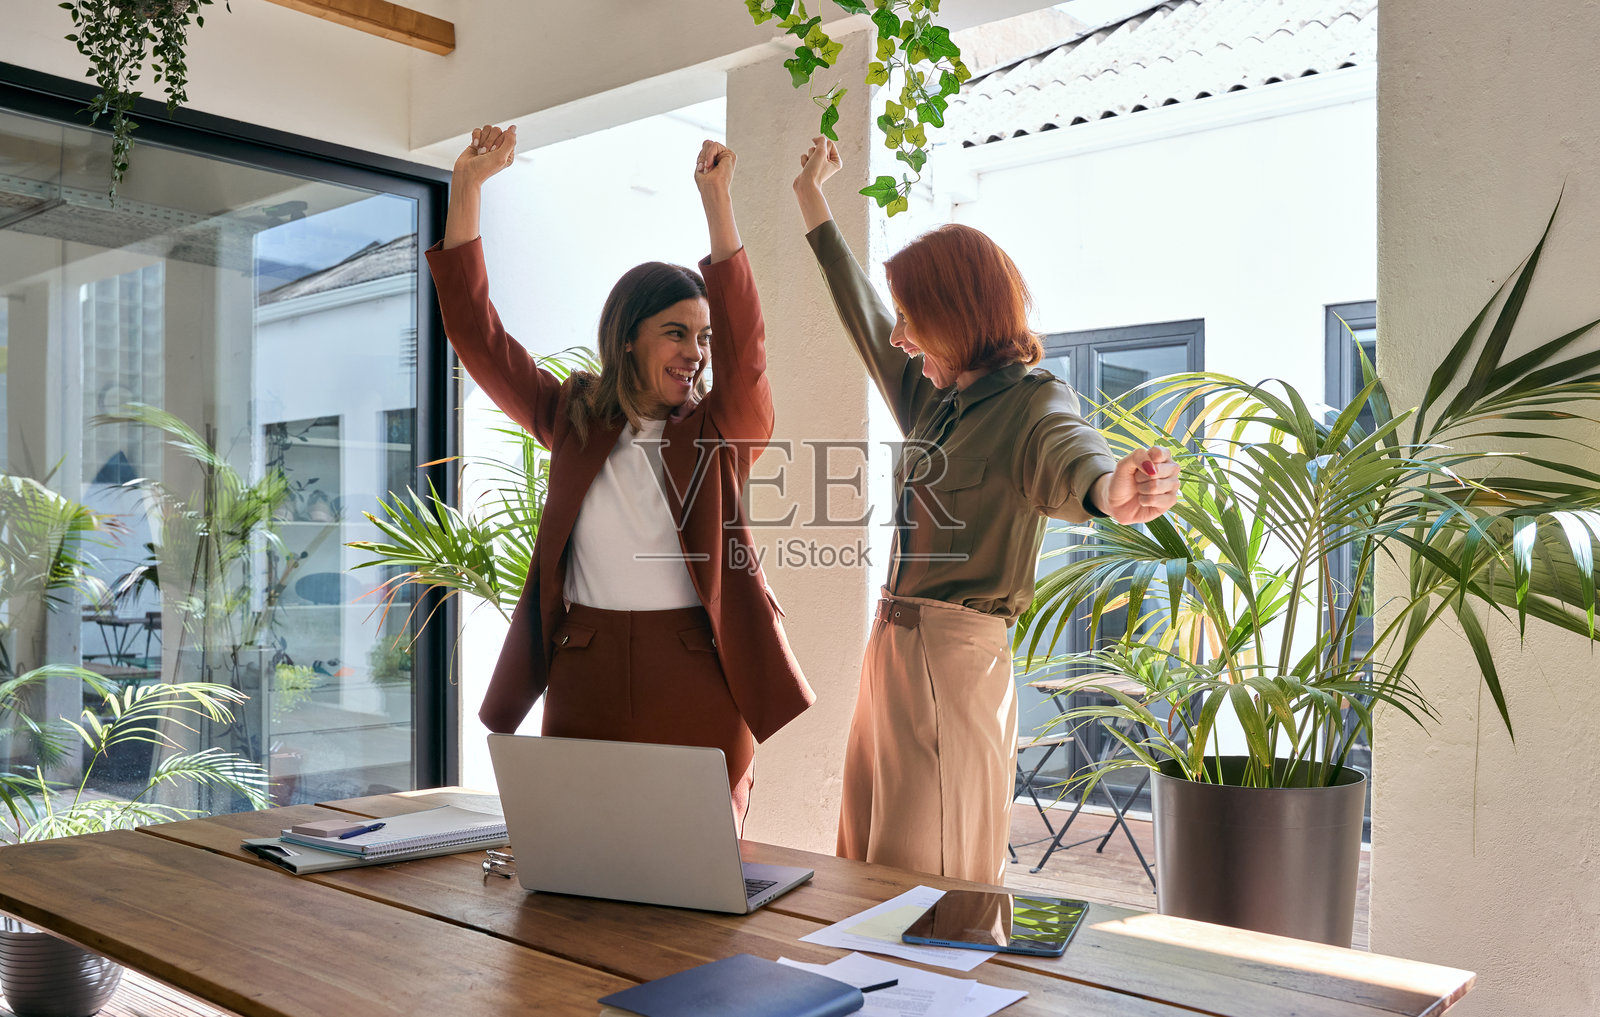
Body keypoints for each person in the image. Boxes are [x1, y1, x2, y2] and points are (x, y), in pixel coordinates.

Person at [791, 136, 1181, 882]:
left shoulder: (1033, 402)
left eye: (915, 316)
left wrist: (1114, 490)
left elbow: (1073, 456)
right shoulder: (935, 401)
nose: (902, 334)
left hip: (955, 663)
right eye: (903, 317)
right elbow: (865, 319)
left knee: (926, 880)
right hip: (891, 657)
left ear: (956, 314)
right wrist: (812, 197)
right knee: (864, 864)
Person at [427, 124, 814, 828]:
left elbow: (747, 357)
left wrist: (718, 204)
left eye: (702, 336)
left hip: (698, 672)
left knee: (695, 873)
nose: (696, 351)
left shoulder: (718, 430)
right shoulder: (572, 415)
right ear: (629, 334)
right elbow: (478, 336)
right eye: (677, 332)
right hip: (586, 668)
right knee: (578, 858)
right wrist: (468, 187)